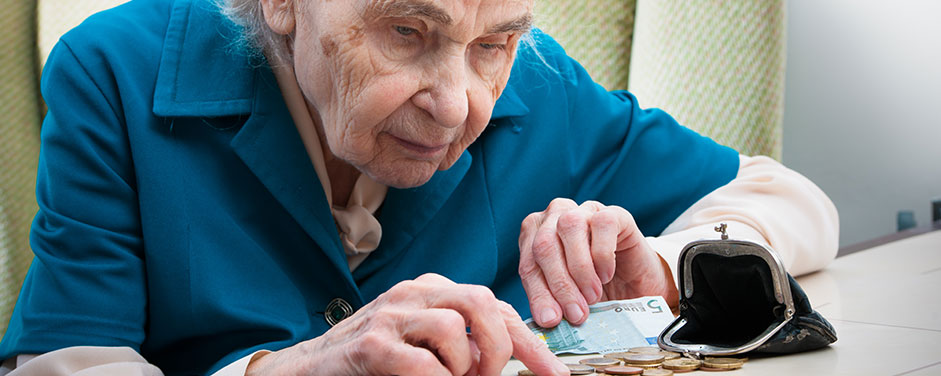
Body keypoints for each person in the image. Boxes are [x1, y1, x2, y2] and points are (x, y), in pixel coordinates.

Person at [0, 0, 839, 375]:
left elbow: (791, 200)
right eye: (408, 31)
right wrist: (290, 373)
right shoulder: (117, 66)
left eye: (493, 43)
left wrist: (657, 264)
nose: (457, 104)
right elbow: (65, 362)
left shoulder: (539, 87)